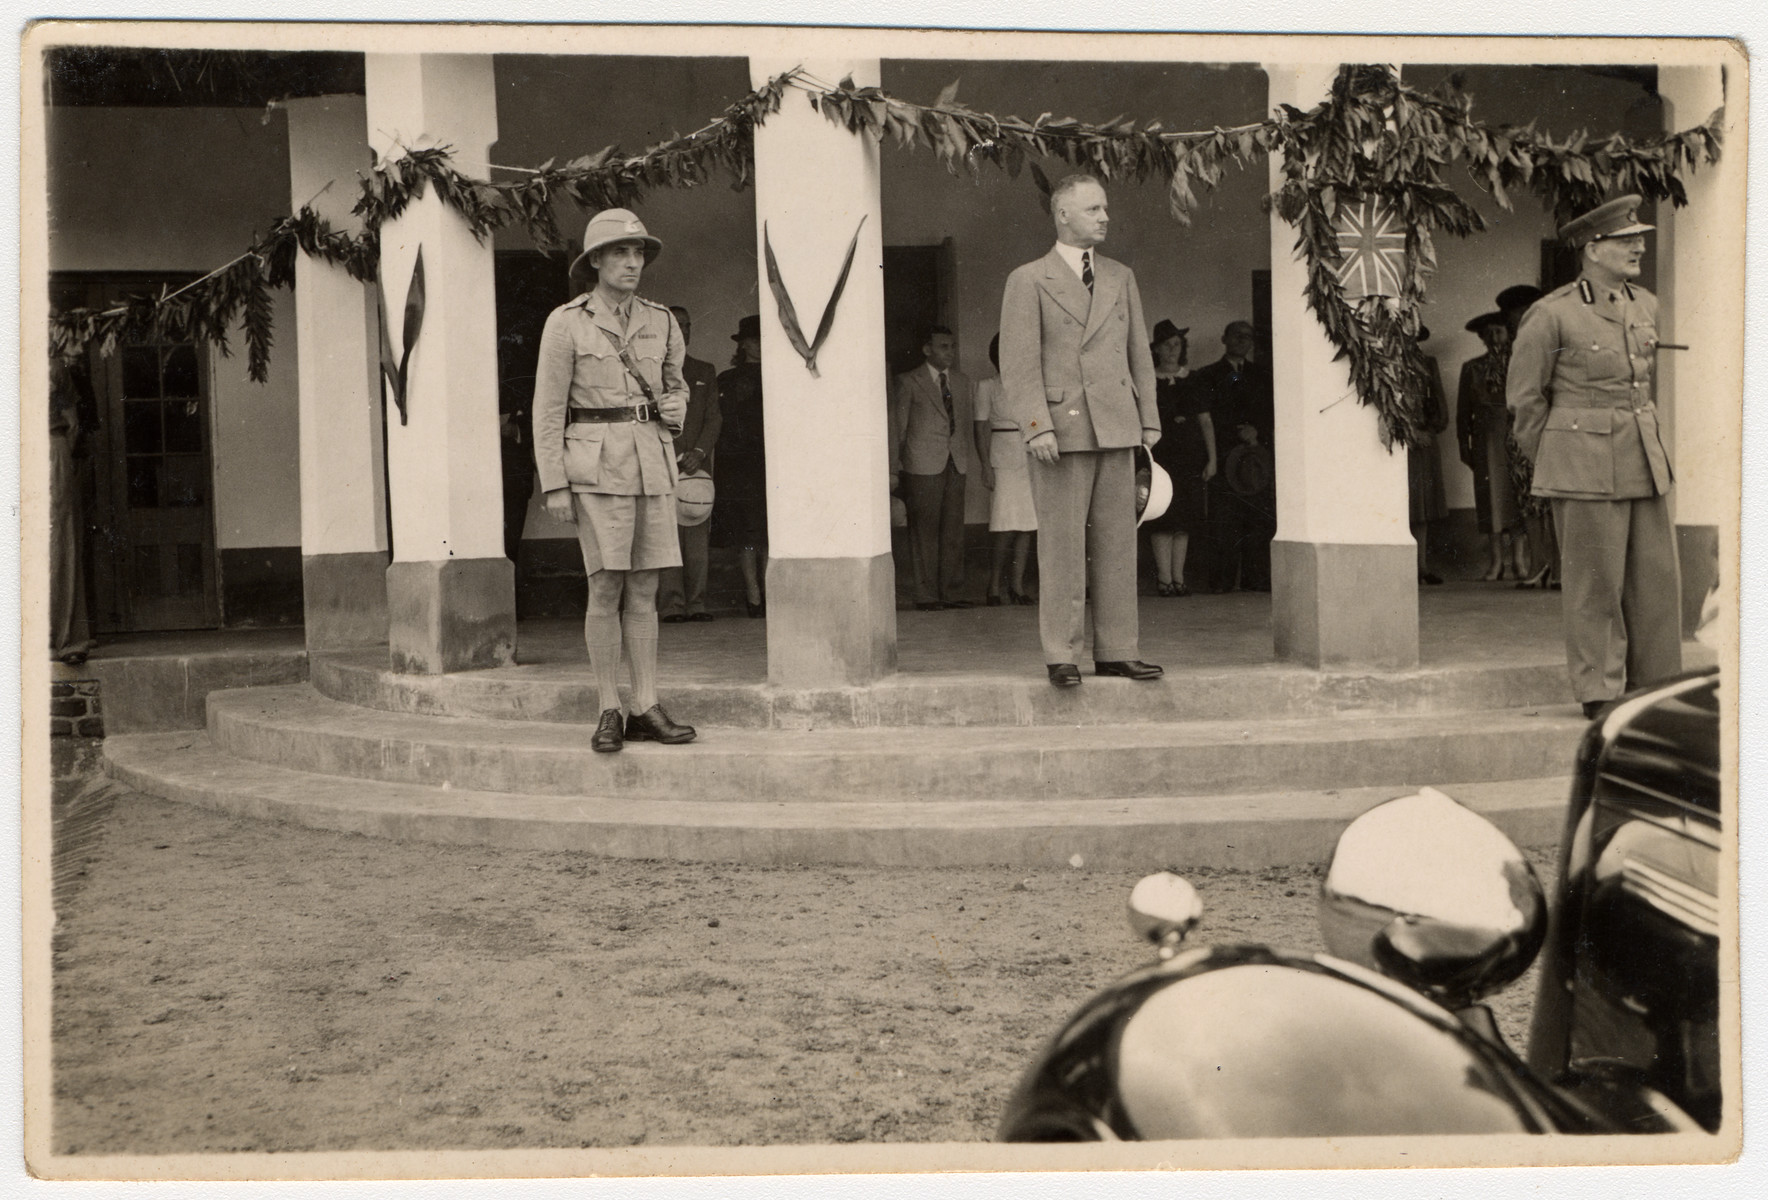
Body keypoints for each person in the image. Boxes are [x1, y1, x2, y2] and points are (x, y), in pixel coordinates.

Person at [1507, 194, 1681, 719]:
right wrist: (1560, 458)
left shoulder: (1645, 304)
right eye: (1625, 240)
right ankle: (1601, 691)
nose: (1638, 247)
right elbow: (1525, 400)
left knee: (1655, 579)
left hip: (1642, 457)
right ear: (1592, 248)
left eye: (1639, 238)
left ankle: (1657, 687)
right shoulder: (1552, 314)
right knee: (1595, 583)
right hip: (1581, 462)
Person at [532, 208, 695, 754]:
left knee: (646, 587)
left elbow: (676, 386)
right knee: (605, 586)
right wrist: (554, 482)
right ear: (595, 261)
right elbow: (548, 409)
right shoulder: (566, 322)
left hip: (652, 464)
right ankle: (609, 707)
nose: (632, 263)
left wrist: (676, 406)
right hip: (597, 470)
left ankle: (646, 704)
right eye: (620, 253)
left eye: (639, 254)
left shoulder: (662, 320)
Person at [998, 173, 1162, 687]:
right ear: (1062, 215)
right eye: (1093, 209)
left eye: (1105, 208)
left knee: (1118, 545)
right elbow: (1018, 363)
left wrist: (1149, 419)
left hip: (1117, 424)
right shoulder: (1028, 279)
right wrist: (1035, 426)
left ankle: (1117, 648)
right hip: (1060, 431)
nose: (1105, 217)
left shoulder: (1120, 276)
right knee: (1063, 547)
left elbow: (1140, 353)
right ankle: (1062, 654)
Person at [890, 325, 980, 610]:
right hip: (921, 464)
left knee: (953, 529)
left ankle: (952, 592)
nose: (950, 352)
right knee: (924, 531)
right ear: (927, 349)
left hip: (956, 462)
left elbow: (964, 424)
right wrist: (895, 466)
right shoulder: (909, 381)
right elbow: (899, 429)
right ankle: (926, 594)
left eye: (952, 346)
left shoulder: (963, 382)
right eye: (943, 346)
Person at [1193, 321, 1273, 592]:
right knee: (1224, 520)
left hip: (1256, 459)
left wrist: (1257, 431)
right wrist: (1233, 433)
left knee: (1258, 518)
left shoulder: (1262, 375)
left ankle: (1256, 579)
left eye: (1248, 336)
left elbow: (1270, 412)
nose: (1242, 340)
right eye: (1236, 335)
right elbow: (1206, 416)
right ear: (1224, 338)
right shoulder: (1208, 375)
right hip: (1225, 457)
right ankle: (1222, 582)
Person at [657, 305, 722, 623]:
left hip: (698, 468)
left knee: (697, 540)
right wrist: (673, 455)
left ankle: (697, 603)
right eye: (675, 325)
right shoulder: (650, 372)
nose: (682, 331)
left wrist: (698, 451)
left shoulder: (704, 371)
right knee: (666, 538)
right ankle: (671, 605)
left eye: (686, 325)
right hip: (664, 465)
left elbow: (713, 418)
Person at [1143, 320, 1216, 596]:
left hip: (1189, 457)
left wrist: (1213, 459)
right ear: (1157, 349)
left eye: (1177, 345)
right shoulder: (1148, 380)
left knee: (1184, 520)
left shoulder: (1194, 379)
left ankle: (1178, 578)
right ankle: (1164, 579)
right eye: (1166, 345)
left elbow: (1206, 421)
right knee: (1162, 517)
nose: (1172, 350)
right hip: (1160, 457)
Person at [1456, 311, 1527, 581]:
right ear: (1482, 338)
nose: (1495, 338)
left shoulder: (1519, 365)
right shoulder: (1471, 368)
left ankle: (1519, 561)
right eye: (1489, 333)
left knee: (1517, 499)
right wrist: (1465, 445)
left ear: (1509, 335)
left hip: (1515, 439)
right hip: (1485, 443)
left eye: (1499, 331)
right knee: (1490, 501)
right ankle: (1496, 563)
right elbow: (1463, 411)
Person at [1497, 284, 1559, 590]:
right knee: (1529, 502)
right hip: (1522, 431)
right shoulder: (1511, 346)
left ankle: (1557, 567)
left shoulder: (1553, 341)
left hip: (1552, 428)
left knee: (1555, 500)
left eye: (1518, 313)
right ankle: (1540, 564)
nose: (1513, 320)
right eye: (1511, 316)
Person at [971, 333, 1037, 605]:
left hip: (1029, 458)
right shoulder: (987, 387)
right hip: (1002, 458)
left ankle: (1018, 586)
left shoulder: (1030, 387)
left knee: (1026, 526)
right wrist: (985, 465)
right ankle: (994, 585)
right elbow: (980, 428)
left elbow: (1035, 422)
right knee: (1004, 525)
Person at [713, 315, 768, 617]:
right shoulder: (727, 380)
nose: (759, 346)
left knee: (771, 532)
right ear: (743, 344)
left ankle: (770, 589)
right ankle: (753, 595)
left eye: (764, 340)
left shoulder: (782, 375)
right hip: (740, 465)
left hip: (771, 463)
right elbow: (723, 424)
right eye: (755, 340)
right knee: (747, 534)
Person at [50, 355, 95, 664]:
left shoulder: (52, 365)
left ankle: (62, 641)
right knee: (60, 542)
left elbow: (74, 422)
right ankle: (66, 641)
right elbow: (74, 424)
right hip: (50, 450)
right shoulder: (50, 363)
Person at [1408, 326, 1450, 585]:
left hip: (1423, 442)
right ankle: (1406, 567)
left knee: (1422, 507)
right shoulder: (1387, 362)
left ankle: (1421, 566)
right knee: (1406, 505)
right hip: (1401, 441)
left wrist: (1429, 429)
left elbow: (1440, 404)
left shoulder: (1427, 363)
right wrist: (1408, 431)